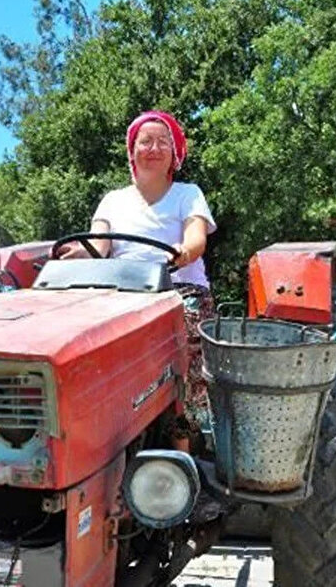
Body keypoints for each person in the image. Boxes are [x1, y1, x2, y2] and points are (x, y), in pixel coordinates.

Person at [58, 110, 217, 418]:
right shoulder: (113, 200)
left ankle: (188, 428)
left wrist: (183, 250)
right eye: (145, 142)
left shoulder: (188, 194)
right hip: (123, 292)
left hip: (178, 288)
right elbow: (98, 247)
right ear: (132, 152)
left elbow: (196, 239)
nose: (153, 149)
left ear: (175, 154)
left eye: (162, 142)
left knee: (185, 328)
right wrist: (77, 253)